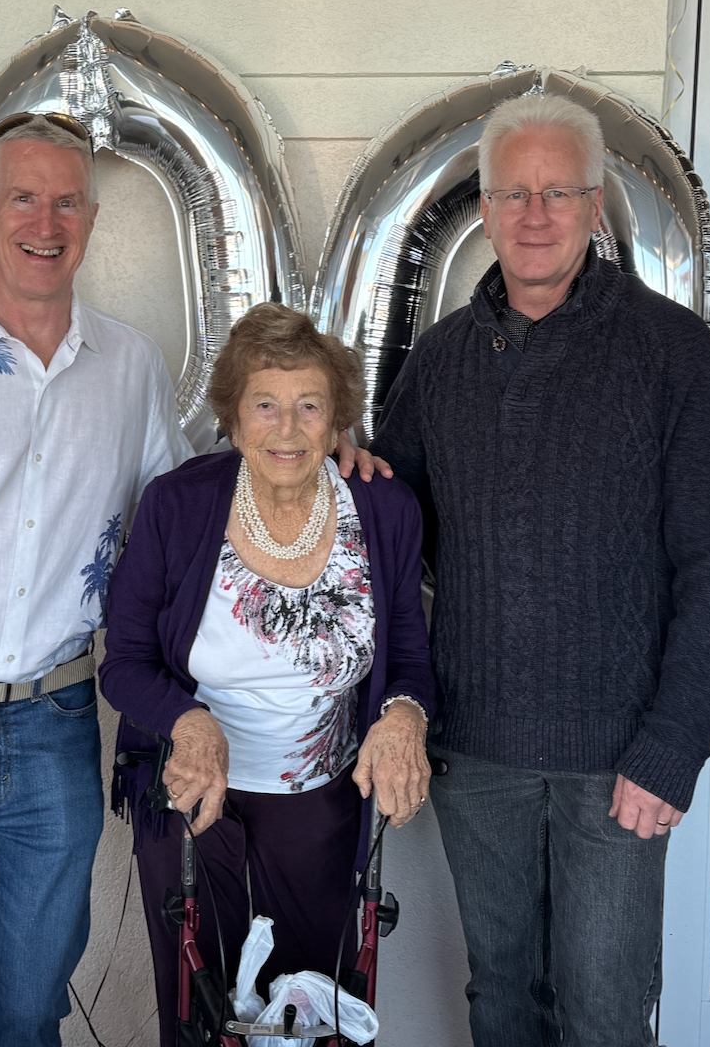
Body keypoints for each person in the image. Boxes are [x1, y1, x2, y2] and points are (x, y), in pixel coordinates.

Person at [0, 114, 382, 1047]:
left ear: (89, 220)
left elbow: (190, 506)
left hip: (52, 733)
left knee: (23, 1014)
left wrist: (307, 440)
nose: (44, 221)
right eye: (23, 197)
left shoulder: (125, 365)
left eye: (65, 201)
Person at [373, 94, 710, 1047]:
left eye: (559, 192)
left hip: (618, 760)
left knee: (603, 1013)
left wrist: (672, 749)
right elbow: (388, 535)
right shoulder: (440, 363)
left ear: (596, 207)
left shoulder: (672, 353)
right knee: (502, 998)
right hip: (477, 753)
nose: (535, 214)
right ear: (485, 208)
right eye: (515, 192)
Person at [100, 303, 435, 1047]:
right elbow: (123, 662)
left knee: (309, 1011)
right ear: (233, 415)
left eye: (309, 405)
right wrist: (187, 720)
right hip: (194, 793)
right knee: (203, 1011)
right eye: (265, 404)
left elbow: (408, 651)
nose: (287, 428)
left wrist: (404, 716)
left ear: (337, 418)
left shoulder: (382, 508)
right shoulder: (178, 504)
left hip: (319, 803)